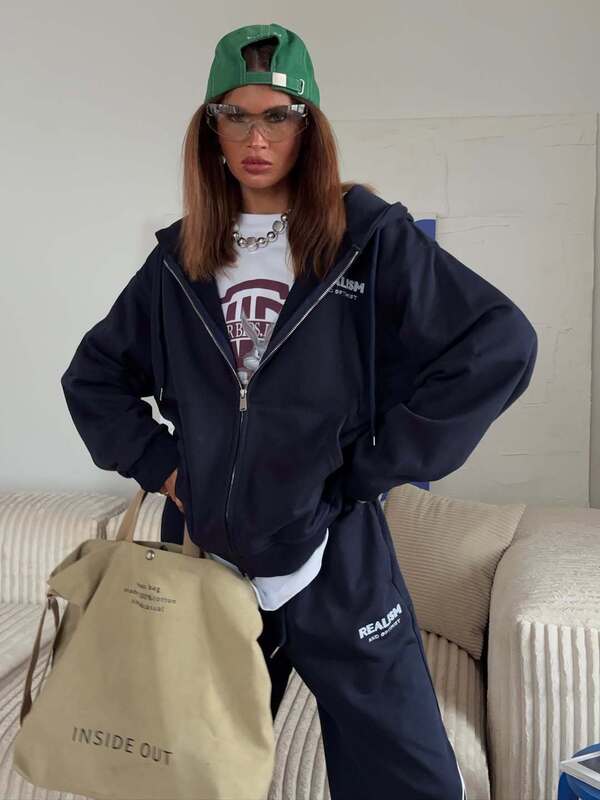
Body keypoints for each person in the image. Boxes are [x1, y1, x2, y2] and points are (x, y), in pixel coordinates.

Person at [60, 22, 538, 800]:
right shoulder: (179, 260)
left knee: (408, 779)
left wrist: (372, 468)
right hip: (210, 563)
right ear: (211, 130)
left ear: (308, 127)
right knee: (193, 777)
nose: (257, 138)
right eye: (236, 116)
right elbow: (95, 378)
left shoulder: (367, 238)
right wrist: (167, 470)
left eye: (278, 116)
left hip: (333, 555)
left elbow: (497, 343)